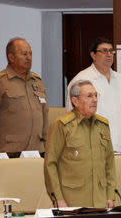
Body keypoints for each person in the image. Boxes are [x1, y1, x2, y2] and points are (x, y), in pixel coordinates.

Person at [45, 80, 116, 208]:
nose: (94, 100)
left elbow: (110, 163)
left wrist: (110, 195)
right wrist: (58, 198)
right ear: (75, 101)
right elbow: (50, 164)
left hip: (101, 201)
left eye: (95, 95)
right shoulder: (62, 125)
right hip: (72, 201)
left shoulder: (103, 125)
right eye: (89, 96)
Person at [66, 37, 121, 152]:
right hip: (92, 148)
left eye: (111, 51)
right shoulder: (81, 80)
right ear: (93, 55)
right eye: (103, 51)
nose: (109, 54)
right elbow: (72, 117)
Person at [0, 37, 48, 153]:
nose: (29, 58)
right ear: (11, 57)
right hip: (9, 153)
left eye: (30, 54)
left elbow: (44, 115)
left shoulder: (37, 81)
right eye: (24, 54)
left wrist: (46, 146)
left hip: (37, 151)